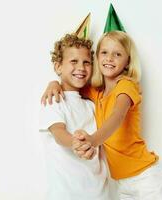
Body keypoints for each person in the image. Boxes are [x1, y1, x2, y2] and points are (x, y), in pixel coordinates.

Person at [41, 31, 162, 200]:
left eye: (117, 54)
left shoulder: (126, 86)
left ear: (127, 62)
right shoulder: (96, 94)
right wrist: (53, 82)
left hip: (145, 178)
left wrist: (93, 141)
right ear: (97, 58)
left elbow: (117, 117)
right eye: (104, 52)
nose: (109, 58)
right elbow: (73, 83)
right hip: (122, 184)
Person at [39, 34, 110, 200]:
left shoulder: (92, 105)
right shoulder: (53, 100)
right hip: (65, 194)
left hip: (99, 194)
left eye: (86, 62)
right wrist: (76, 143)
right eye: (74, 61)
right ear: (58, 67)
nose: (81, 67)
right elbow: (58, 133)